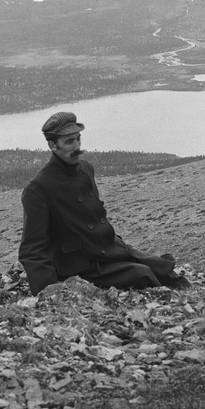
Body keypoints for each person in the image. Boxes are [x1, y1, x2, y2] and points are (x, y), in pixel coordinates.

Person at [18, 111, 190, 295]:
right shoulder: (38, 188)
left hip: (105, 248)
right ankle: (166, 306)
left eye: (78, 138)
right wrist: (49, 294)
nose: (77, 146)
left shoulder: (85, 168)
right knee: (143, 274)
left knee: (162, 267)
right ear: (53, 145)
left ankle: (196, 301)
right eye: (69, 142)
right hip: (79, 264)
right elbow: (32, 250)